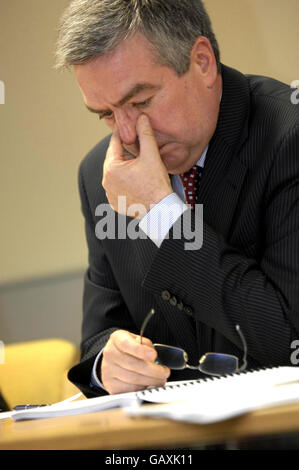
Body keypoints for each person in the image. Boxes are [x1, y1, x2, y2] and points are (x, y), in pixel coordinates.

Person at [55, 0, 299, 398]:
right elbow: (100, 333)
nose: (128, 134)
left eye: (140, 102)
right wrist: (109, 363)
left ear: (202, 62)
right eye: (105, 114)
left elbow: (288, 339)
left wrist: (161, 214)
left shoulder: (289, 136)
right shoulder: (100, 173)